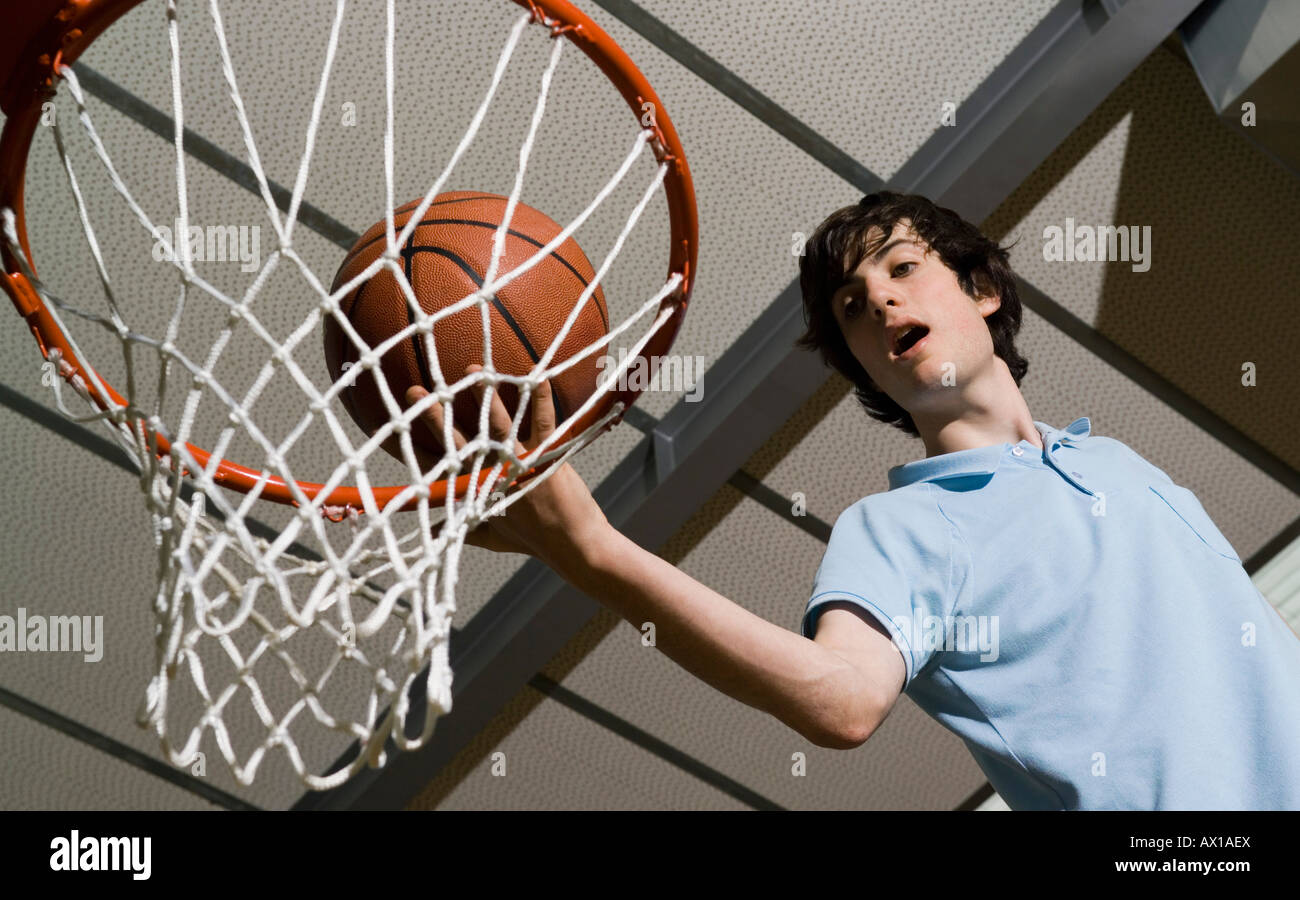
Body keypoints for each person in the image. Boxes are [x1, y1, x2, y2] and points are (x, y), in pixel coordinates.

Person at [405, 190, 1300, 810]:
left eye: (902, 269)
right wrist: (595, 553)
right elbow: (841, 699)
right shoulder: (904, 526)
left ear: (982, 291)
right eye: (851, 304)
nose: (876, 296)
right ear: (862, 363)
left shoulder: (1116, 460)